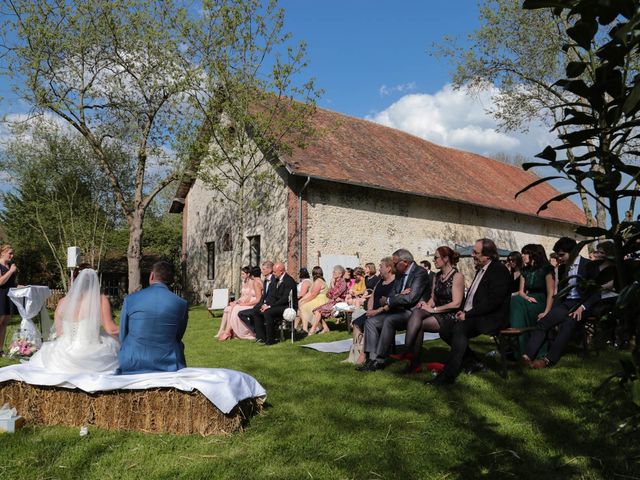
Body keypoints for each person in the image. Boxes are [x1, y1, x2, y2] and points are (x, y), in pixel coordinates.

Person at [428, 239, 511, 386]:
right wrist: (463, 312)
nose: (472, 255)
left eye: (476, 253)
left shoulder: (499, 270)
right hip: (476, 315)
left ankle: (448, 375)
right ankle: (474, 362)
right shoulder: (481, 269)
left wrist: (468, 314)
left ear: (487, 256)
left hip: (491, 318)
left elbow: (493, 302)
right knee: (445, 329)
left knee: (460, 328)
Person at [522, 237, 601, 369]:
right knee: (544, 322)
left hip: (583, 304)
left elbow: (596, 293)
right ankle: (527, 356)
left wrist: (582, 307)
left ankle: (548, 360)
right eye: (558, 255)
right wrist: (549, 312)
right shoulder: (563, 268)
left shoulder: (589, 265)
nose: (559, 258)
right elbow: (561, 293)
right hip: (567, 303)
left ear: (574, 252)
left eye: (562, 255)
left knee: (568, 323)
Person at [29, 266, 120, 373]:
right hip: (90, 352)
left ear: (74, 280)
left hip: (63, 354)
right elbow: (111, 329)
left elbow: (59, 333)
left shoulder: (62, 302)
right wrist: (132, 327)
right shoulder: (100, 300)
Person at [357, 248, 432, 372]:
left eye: (395, 263)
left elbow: (411, 299)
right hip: (397, 310)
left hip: (413, 312)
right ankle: (371, 359)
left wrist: (391, 299)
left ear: (405, 262)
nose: (394, 266)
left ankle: (380, 360)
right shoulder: (400, 274)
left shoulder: (420, 273)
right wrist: (398, 296)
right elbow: (393, 295)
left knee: (390, 320)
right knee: (370, 322)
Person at [399, 247, 464, 373]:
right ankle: (412, 357)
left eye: (436, 257)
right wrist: (425, 304)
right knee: (417, 312)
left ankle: (409, 354)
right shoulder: (437, 276)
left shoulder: (457, 276)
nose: (433, 260)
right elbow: (433, 299)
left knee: (419, 322)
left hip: (451, 315)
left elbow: (456, 303)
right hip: (438, 312)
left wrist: (433, 310)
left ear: (445, 259)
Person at [117, 261, 188, 374]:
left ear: (151, 275)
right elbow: (178, 336)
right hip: (168, 364)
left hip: (132, 362)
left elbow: (122, 335)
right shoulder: (181, 303)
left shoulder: (130, 299)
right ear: (171, 280)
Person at [347, 257, 396, 364]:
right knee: (356, 323)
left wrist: (376, 312)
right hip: (372, 311)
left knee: (369, 323)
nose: (379, 269)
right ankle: (355, 351)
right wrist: (369, 309)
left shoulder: (396, 282)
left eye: (381, 266)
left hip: (385, 313)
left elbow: (392, 303)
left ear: (388, 268)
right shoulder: (380, 281)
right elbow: (372, 297)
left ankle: (364, 354)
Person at [509, 244, 554, 356]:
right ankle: (518, 347)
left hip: (542, 301)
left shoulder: (546, 269)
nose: (522, 256)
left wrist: (547, 312)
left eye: (525, 253)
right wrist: (527, 297)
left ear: (533, 255)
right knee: (515, 300)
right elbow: (521, 291)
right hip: (528, 299)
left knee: (516, 302)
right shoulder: (525, 271)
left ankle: (522, 348)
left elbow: (551, 292)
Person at [252, 262, 298, 345]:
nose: (273, 274)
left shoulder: (289, 281)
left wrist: (269, 306)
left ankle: (271, 340)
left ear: (281, 271)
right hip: (278, 305)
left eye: (274, 272)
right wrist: (266, 305)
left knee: (268, 312)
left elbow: (285, 299)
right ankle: (261, 337)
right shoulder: (277, 280)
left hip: (288, 306)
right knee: (256, 311)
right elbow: (273, 296)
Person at [217, 266, 262, 341]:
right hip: (246, 302)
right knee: (228, 308)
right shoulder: (244, 283)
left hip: (252, 303)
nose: (242, 276)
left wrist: (243, 303)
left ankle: (230, 331)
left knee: (235, 308)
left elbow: (252, 297)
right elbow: (243, 296)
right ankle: (223, 330)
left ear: (248, 274)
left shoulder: (254, 282)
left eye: (243, 274)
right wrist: (236, 301)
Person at [238, 261, 276, 335]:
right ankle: (258, 331)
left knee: (240, 311)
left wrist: (245, 304)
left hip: (264, 304)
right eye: (261, 269)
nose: (262, 271)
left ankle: (256, 331)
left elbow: (260, 298)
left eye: (264, 269)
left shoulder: (258, 282)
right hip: (260, 304)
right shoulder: (264, 281)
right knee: (238, 311)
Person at [309, 265, 348, 335]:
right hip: (332, 301)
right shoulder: (336, 282)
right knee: (316, 310)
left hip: (338, 303)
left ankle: (312, 330)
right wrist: (332, 289)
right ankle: (325, 328)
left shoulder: (342, 283)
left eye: (334, 272)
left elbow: (334, 295)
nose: (332, 273)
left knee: (318, 311)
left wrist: (332, 285)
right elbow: (328, 294)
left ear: (340, 274)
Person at [298, 266, 328, 333]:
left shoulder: (318, 281)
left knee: (304, 307)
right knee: (302, 304)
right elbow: (309, 293)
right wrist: (302, 299)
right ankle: (324, 327)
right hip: (317, 299)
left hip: (321, 300)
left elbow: (313, 295)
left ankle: (305, 328)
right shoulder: (316, 281)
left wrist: (305, 301)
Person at [0, 244, 18, 356]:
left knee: (4, 324)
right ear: (2, 253)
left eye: (12, 253)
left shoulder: (10, 265)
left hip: (9, 296)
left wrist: (20, 286)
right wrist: (11, 271)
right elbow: (0, 282)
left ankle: (0, 350)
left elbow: (11, 283)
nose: (12, 255)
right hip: (0, 296)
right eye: (9, 253)